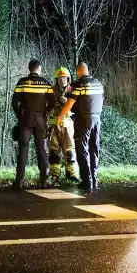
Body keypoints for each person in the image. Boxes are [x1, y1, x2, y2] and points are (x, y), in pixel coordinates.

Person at [57, 62, 104, 191]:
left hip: (83, 120)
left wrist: (60, 116)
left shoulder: (79, 85)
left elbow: (69, 104)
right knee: (94, 148)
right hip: (97, 119)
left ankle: (87, 181)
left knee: (82, 150)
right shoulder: (98, 83)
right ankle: (94, 179)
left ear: (78, 73)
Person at [11, 59, 54, 190]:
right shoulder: (46, 84)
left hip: (26, 119)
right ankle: (44, 181)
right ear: (39, 69)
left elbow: (14, 103)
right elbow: (52, 102)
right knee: (41, 150)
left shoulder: (22, 82)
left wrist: (20, 116)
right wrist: (45, 113)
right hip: (40, 119)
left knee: (23, 149)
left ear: (29, 69)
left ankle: (19, 182)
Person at [47, 66, 79, 185]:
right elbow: (47, 107)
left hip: (68, 125)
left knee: (69, 150)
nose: (62, 80)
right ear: (56, 79)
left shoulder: (72, 90)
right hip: (54, 125)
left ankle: (72, 174)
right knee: (54, 151)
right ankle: (54, 174)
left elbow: (77, 107)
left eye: (64, 78)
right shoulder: (51, 91)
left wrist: (67, 102)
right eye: (59, 78)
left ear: (68, 78)